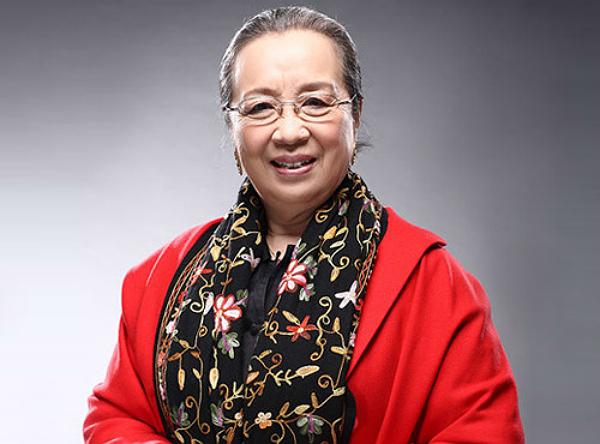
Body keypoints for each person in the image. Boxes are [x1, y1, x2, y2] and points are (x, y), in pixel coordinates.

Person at [84, 6, 524, 443]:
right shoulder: (160, 280)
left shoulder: (431, 283)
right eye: (260, 107)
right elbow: (116, 417)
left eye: (315, 102)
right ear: (233, 129)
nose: (290, 132)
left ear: (355, 115)